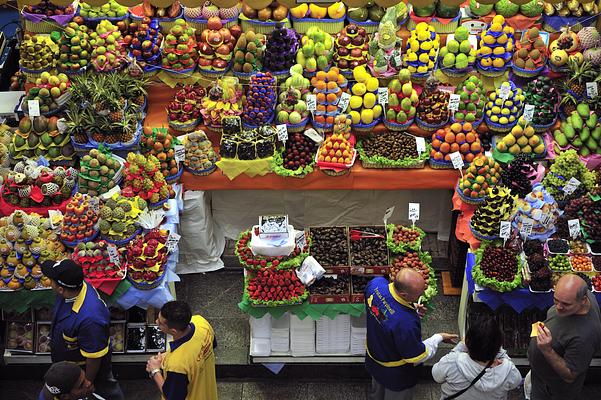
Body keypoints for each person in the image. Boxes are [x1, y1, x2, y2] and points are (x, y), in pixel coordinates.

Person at [365, 269, 458, 400]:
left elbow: (382, 313)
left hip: (374, 357)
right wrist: (438, 337)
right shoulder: (405, 322)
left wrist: (410, 308)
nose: (423, 294)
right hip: (395, 374)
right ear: (403, 294)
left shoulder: (375, 285)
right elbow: (416, 355)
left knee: (377, 392)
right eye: (418, 293)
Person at [42, 259, 124, 400]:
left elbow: (94, 357)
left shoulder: (90, 319)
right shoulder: (77, 288)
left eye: (51, 280)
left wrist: (87, 382)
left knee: (104, 391)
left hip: (85, 370)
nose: (49, 282)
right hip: (70, 362)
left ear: (61, 289)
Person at [528, 274, 601, 400]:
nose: (558, 307)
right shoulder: (583, 297)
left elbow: (570, 375)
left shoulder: (585, 337)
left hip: (552, 389)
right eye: (556, 300)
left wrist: (547, 350)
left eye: (566, 304)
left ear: (583, 300)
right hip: (541, 376)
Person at [432, 317, 522, 400]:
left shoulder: (452, 361)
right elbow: (516, 382)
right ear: (499, 345)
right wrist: (498, 349)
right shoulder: (508, 371)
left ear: (468, 342)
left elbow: (436, 376)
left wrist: (460, 346)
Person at [146, 300, 218, 400]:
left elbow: (172, 396)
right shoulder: (201, 323)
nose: (156, 322)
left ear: (173, 331)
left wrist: (155, 370)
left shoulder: (177, 365)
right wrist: (168, 355)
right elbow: (211, 345)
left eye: (160, 322)